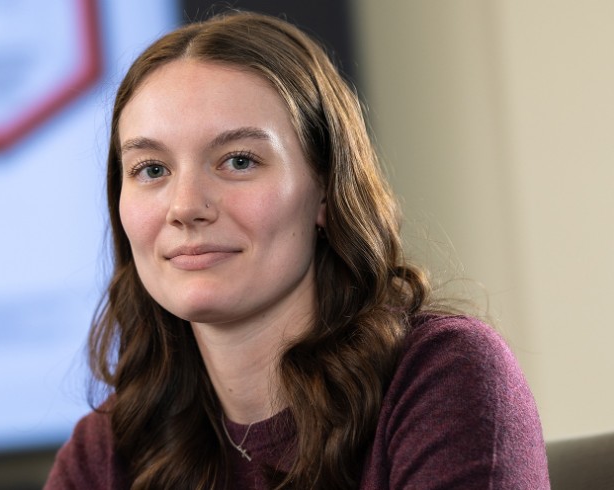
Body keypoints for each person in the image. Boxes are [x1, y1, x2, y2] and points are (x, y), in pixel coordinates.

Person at [44, 11, 549, 490]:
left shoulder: (442, 379)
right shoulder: (107, 453)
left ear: (326, 189)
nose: (185, 206)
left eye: (238, 161)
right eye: (152, 170)